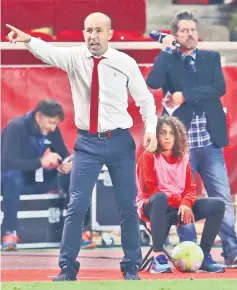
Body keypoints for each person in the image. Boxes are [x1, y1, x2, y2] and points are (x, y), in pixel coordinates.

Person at [6, 12, 158, 281]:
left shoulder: (125, 62)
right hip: (87, 143)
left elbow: (145, 101)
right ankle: (67, 268)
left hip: (119, 141)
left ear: (110, 34)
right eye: (88, 31)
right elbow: (48, 52)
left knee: (127, 207)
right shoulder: (75, 57)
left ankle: (131, 266)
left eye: (98, 31)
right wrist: (28, 39)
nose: (92, 36)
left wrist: (151, 131)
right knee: (76, 206)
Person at [146, 10, 237, 267]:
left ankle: (231, 250)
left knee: (220, 197)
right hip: (180, 147)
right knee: (182, 199)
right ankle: (192, 255)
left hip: (210, 142)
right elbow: (152, 82)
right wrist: (164, 50)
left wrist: (184, 95)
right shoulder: (170, 59)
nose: (190, 34)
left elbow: (218, 88)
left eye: (193, 30)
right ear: (175, 35)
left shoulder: (210, 57)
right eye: (184, 30)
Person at [136, 116, 225, 273]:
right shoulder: (149, 155)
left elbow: (190, 188)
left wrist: (185, 203)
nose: (168, 137)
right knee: (160, 198)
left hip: (177, 208)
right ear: (156, 135)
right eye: (163, 133)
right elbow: (149, 190)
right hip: (154, 208)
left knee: (217, 205)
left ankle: (203, 256)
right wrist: (181, 202)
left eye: (171, 133)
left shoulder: (183, 157)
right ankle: (158, 257)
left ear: (177, 136)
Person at [1, 99, 72, 250]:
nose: (53, 128)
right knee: (12, 176)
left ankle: (77, 231)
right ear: (38, 116)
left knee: (74, 176)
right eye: (51, 122)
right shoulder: (16, 127)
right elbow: (7, 162)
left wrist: (67, 164)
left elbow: (64, 154)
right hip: (15, 183)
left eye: (56, 124)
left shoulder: (52, 131)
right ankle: (9, 232)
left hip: (40, 180)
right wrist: (41, 162)